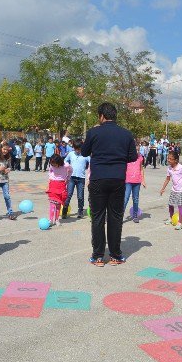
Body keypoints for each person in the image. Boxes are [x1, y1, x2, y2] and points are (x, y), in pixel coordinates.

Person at [81, 102, 137, 267]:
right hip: (118, 179)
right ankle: (115, 255)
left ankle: (98, 256)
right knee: (115, 217)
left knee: (98, 217)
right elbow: (133, 157)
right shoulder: (126, 134)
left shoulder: (94, 132)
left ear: (101, 116)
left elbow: (84, 152)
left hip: (98, 178)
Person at [159, 151, 182, 231]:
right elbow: (167, 179)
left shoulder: (181, 167)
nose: (168, 160)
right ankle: (171, 218)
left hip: (181, 190)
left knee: (180, 206)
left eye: (170, 159)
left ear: (176, 160)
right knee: (170, 204)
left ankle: (179, 222)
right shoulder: (169, 168)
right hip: (174, 189)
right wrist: (163, 188)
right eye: (168, 158)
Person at [62, 140, 90, 219]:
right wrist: (66, 168)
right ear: (73, 148)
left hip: (81, 179)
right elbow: (65, 161)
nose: (77, 150)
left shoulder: (86, 155)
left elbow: (91, 163)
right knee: (68, 195)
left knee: (80, 196)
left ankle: (80, 211)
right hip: (71, 178)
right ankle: (64, 210)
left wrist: (89, 176)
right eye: (76, 149)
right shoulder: (71, 154)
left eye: (79, 149)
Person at [124, 140, 146, 223]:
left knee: (135, 198)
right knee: (125, 198)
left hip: (137, 181)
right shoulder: (127, 157)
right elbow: (124, 169)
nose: (137, 151)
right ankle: (120, 215)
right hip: (128, 181)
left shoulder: (140, 157)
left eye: (138, 150)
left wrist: (143, 180)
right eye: (135, 150)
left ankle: (135, 215)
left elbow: (141, 169)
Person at [47, 154, 71, 226]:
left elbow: (71, 170)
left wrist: (68, 178)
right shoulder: (51, 165)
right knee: (52, 204)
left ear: (59, 162)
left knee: (58, 204)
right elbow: (50, 170)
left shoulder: (65, 165)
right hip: (53, 184)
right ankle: (51, 220)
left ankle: (57, 219)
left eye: (54, 164)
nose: (53, 165)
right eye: (52, 164)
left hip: (61, 185)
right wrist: (50, 177)